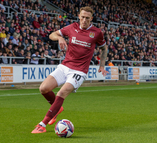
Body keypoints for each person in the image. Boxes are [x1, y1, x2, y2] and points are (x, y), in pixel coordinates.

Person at [31, 6, 108, 134]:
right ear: (79, 16)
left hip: (79, 71)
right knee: (43, 88)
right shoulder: (72, 27)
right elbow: (52, 35)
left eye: (87, 18)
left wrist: (102, 65)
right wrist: (60, 37)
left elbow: (104, 48)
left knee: (62, 92)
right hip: (65, 66)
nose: (84, 20)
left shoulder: (97, 33)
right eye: (82, 17)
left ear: (91, 19)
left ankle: (42, 124)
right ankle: (57, 109)